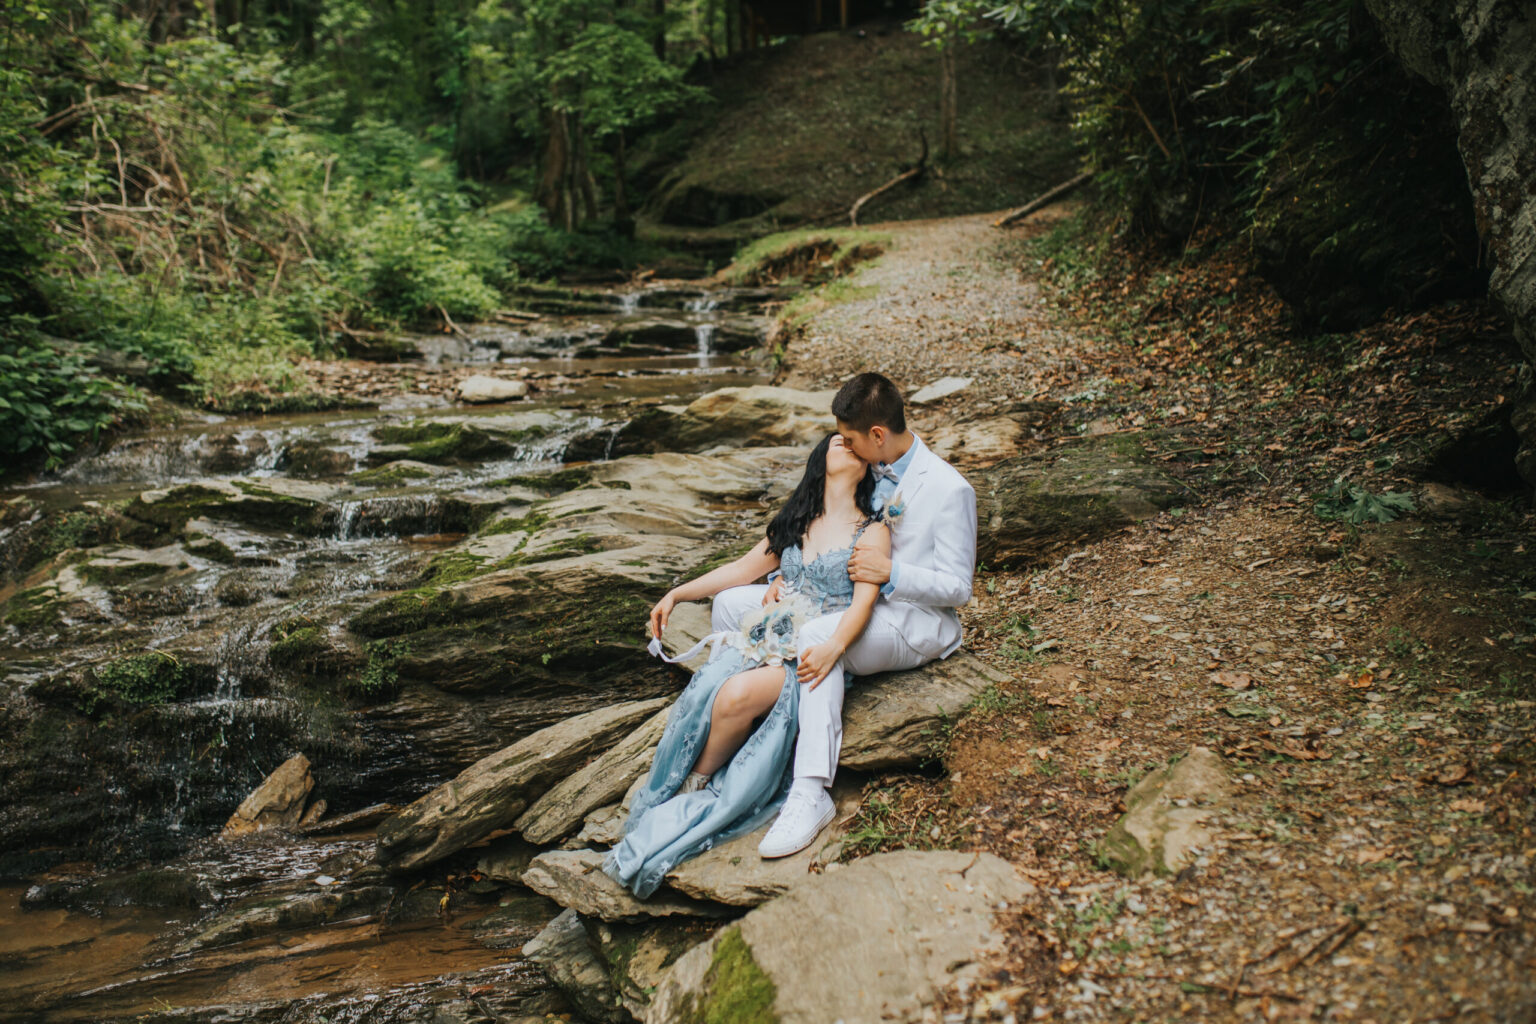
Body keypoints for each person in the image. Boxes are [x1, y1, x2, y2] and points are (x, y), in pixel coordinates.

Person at [602, 432, 888, 897]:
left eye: (855, 442)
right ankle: (684, 782)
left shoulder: (872, 530)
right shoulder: (797, 520)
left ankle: (699, 790)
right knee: (710, 683)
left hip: (816, 651)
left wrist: (834, 647)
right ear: (821, 460)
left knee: (735, 695)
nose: (849, 444)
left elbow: (863, 605)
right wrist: (676, 593)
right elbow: (740, 570)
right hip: (773, 636)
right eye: (839, 441)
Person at [711, 372, 977, 859]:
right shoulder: (871, 467)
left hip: (909, 619)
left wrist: (891, 571)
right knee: (731, 603)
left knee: (818, 635)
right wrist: (786, 579)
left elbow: (959, 589)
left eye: (850, 439)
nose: (844, 448)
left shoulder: (948, 489)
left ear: (877, 435)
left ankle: (810, 792)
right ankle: (750, 703)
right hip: (847, 600)